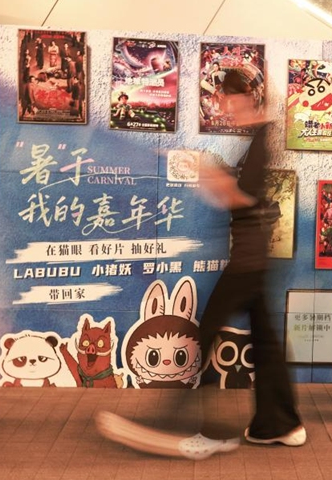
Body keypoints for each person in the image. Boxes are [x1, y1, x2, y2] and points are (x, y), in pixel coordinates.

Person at [98, 69, 305, 459]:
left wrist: (217, 181)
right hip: (252, 259)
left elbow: (248, 200)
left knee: (207, 332)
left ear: (242, 97)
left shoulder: (261, 139)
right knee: (265, 343)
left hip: (247, 262)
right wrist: (218, 179)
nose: (223, 107)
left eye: (227, 99)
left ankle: (205, 432)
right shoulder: (258, 138)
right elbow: (248, 196)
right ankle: (280, 423)